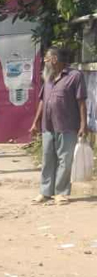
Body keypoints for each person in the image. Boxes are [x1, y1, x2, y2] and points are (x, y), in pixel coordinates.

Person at [30, 47, 88, 205]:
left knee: (64, 160)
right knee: (47, 158)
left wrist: (83, 125)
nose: (45, 62)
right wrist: (35, 122)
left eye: (46, 59)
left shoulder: (75, 76)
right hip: (47, 126)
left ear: (55, 59)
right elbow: (42, 101)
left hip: (67, 125)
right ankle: (45, 192)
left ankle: (61, 193)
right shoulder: (48, 78)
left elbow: (81, 101)